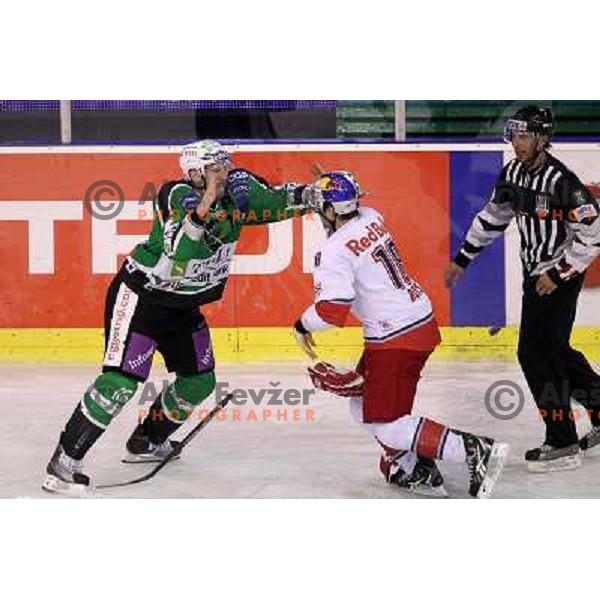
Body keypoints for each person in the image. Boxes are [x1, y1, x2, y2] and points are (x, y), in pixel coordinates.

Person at [43, 140, 313, 494]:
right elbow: (185, 247)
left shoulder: (237, 190)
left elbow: (276, 202)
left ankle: (146, 440)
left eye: (226, 165)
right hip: (143, 299)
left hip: (182, 305)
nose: (225, 172)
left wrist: (316, 195)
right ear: (194, 173)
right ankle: (63, 462)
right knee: (121, 384)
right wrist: (207, 204)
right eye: (215, 168)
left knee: (198, 381)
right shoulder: (176, 195)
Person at [292, 171, 509, 498]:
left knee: (389, 425)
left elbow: (332, 310)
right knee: (362, 404)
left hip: (395, 337)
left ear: (331, 210)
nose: (317, 214)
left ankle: (475, 450)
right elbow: (353, 215)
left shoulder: (333, 252)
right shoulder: (370, 216)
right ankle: (415, 467)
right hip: (415, 321)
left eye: (321, 207)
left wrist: (301, 325)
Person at [446, 105, 600, 472]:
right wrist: (463, 258)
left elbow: (593, 235)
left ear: (543, 138)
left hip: (556, 279)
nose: (518, 142)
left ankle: (562, 442)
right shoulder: (512, 173)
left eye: (526, 135)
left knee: (536, 355)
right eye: (514, 135)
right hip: (537, 277)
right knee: (556, 352)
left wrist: (560, 274)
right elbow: (494, 216)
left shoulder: (563, 183)